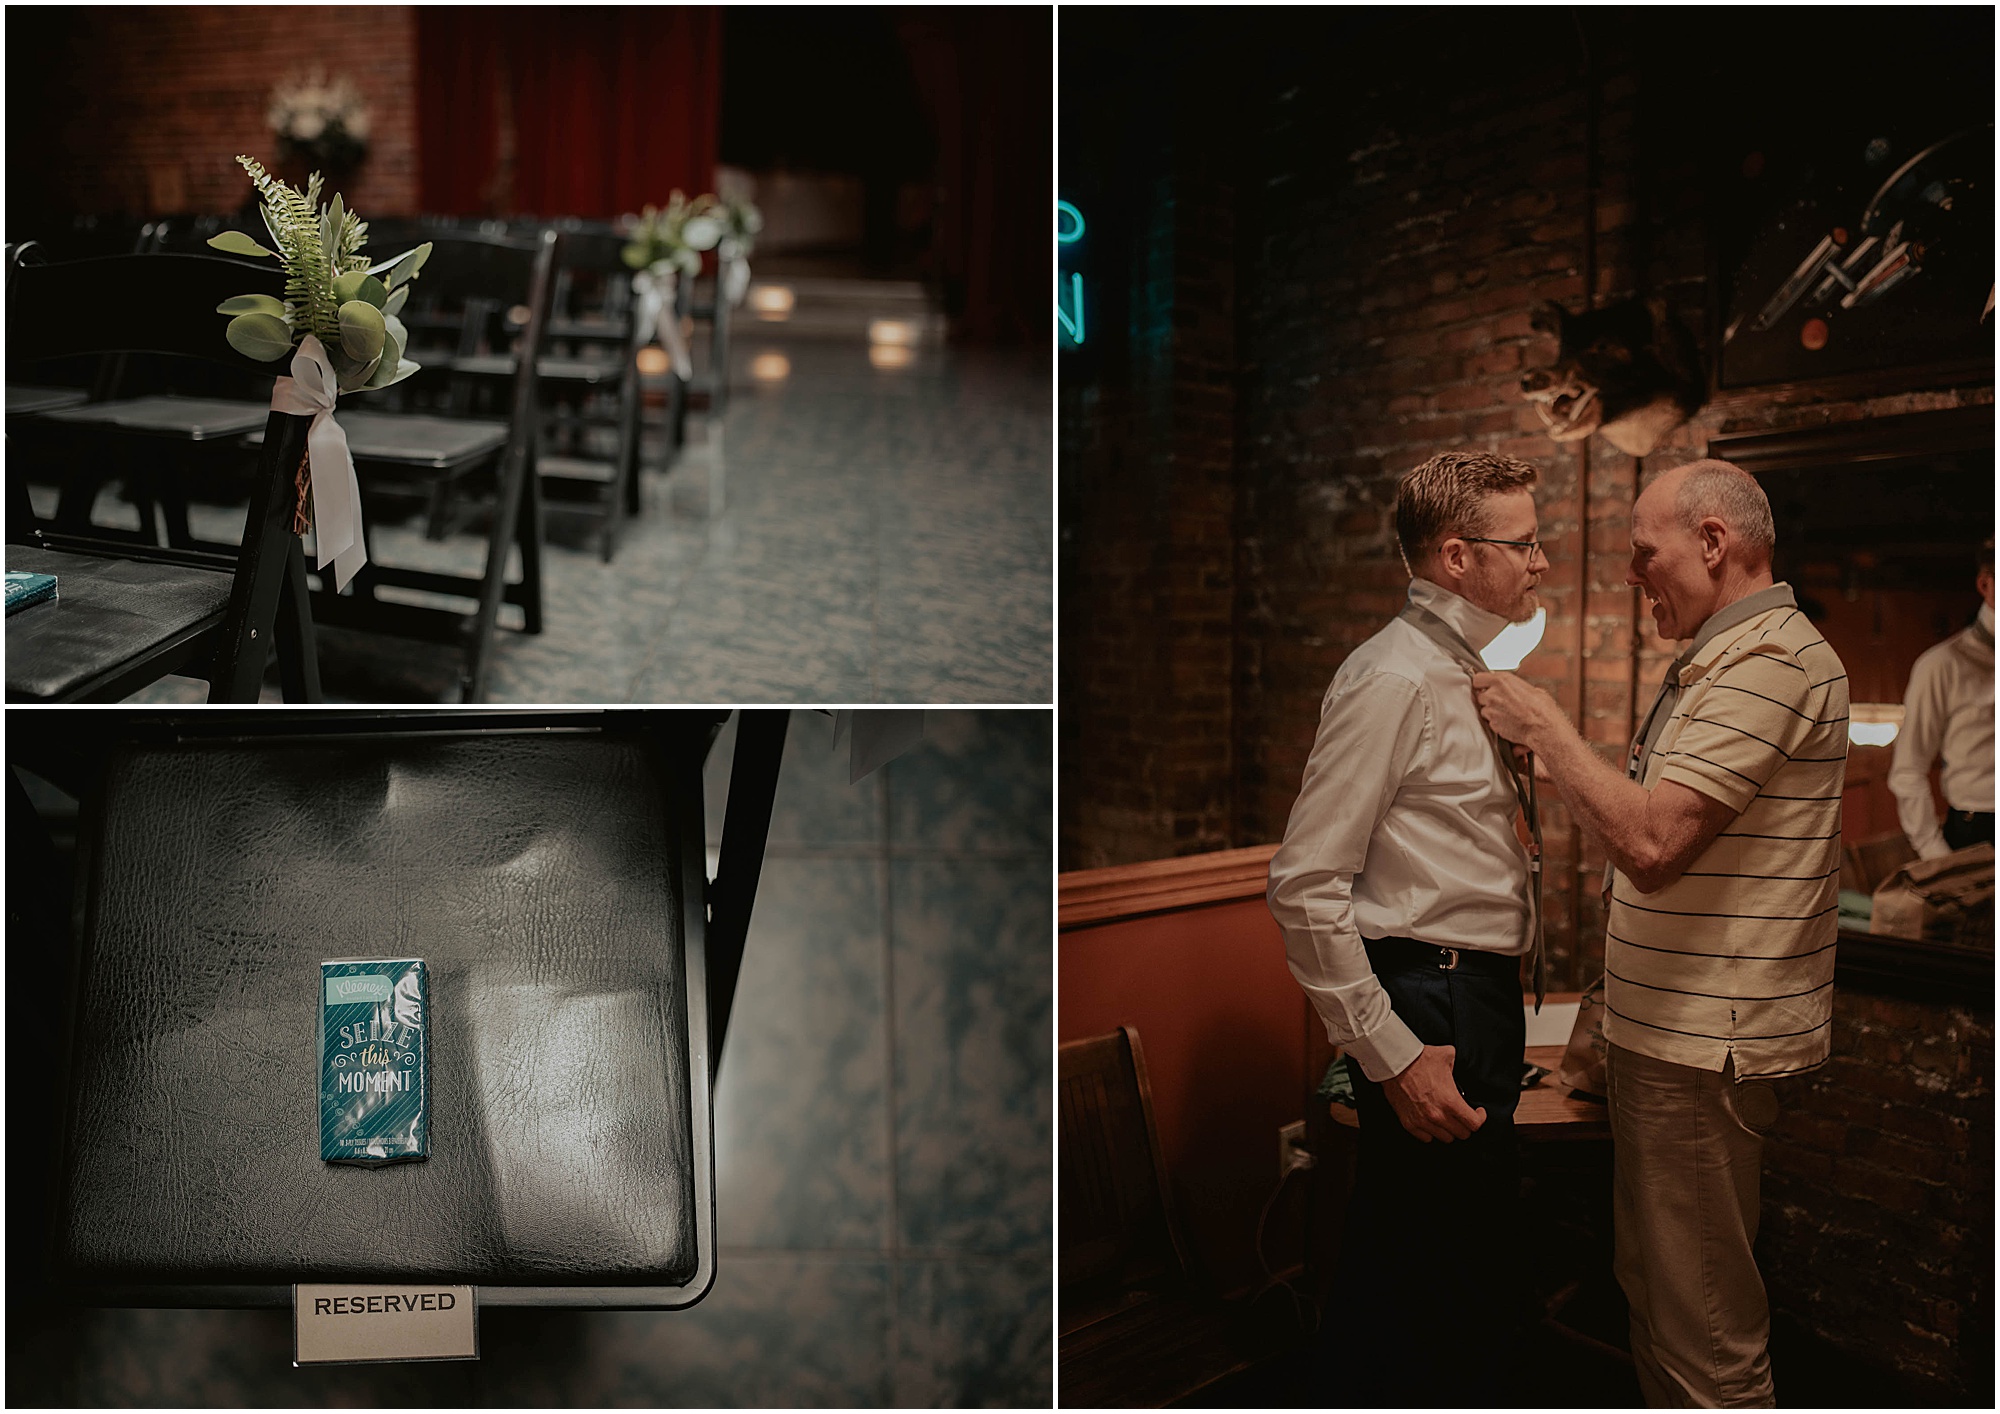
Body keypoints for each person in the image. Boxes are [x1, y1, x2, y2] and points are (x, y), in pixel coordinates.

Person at [1472, 458, 1848, 1408]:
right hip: (1666, 1038)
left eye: (1645, 553)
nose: (1631, 575)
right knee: (1658, 1298)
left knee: (1706, 1335)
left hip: (1699, 1045)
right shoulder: (1721, 657)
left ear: (1714, 544)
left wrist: (1547, 726)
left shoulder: (1771, 660)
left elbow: (1652, 840)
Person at [1267, 449, 1549, 1406]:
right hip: (1429, 997)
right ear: (1459, 556)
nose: (1541, 561)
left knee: (1446, 1279)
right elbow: (1305, 882)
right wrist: (1390, 1050)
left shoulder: (1467, 670)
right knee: (1420, 1285)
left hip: (1468, 990)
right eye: (1525, 543)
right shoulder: (1392, 677)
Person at [1888, 540, 1994, 858]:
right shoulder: (1942, 665)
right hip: (1978, 833)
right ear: (1986, 584)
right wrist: (1936, 855)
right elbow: (1908, 769)